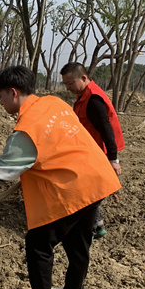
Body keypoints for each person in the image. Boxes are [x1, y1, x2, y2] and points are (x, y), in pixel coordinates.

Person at [0, 66, 121, 289]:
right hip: (97, 178)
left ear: (13, 92)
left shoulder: (25, 131)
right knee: (78, 241)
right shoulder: (54, 103)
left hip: (74, 186)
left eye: (0, 96)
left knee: (38, 243)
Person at [60, 62, 124, 239]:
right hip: (90, 150)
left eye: (70, 83)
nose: (68, 87)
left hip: (99, 152)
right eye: (65, 84)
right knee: (91, 190)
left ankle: (92, 228)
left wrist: (113, 159)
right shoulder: (84, 95)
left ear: (83, 77)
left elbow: (106, 129)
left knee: (88, 191)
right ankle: (98, 225)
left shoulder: (94, 100)